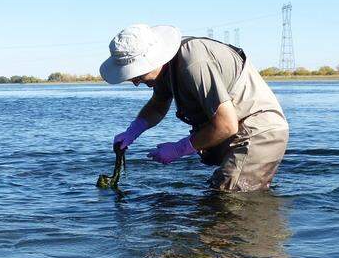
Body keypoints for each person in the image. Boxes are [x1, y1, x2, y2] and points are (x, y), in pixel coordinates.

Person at [100, 23, 289, 192]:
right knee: (220, 195)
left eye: (137, 74)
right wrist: (133, 130)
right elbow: (158, 104)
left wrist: (179, 148)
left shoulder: (194, 62)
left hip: (258, 131)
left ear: (154, 58)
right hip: (237, 130)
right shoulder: (164, 69)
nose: (135, 82)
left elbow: (226, 125)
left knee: (227, 199)